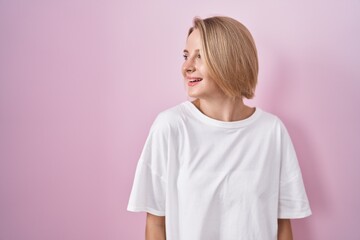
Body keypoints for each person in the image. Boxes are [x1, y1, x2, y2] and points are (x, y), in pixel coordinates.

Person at [127, 16, 312, 240]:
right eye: (186, 56)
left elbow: (282, 225)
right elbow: (156, 224)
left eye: (200, 56)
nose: (187, 66)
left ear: (231, 61)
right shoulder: (171, 127)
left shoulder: (271, 132)